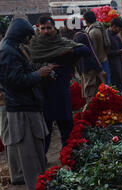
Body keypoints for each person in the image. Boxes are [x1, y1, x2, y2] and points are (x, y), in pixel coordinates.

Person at [0, 18, 57, 190]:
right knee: (29, 149)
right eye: (27, 36)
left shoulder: (14, 48)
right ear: (20, 34)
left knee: (37, 146)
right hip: (20, 107)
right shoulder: (7, 52)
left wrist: (42, 73)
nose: (28, 40)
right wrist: (39, 74)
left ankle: (40, 183)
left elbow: (25, 72)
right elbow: (16, 81)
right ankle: (35, 188)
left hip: (28, 104)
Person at [30, 16, 90, 155]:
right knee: (45, 130)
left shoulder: (63, 43)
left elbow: (85, 50)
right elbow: (29, 64)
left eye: (49, 28)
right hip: (42, 94)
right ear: (38, 29)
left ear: (54, 28)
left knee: (66, 127)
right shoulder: (34, 45)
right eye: (43, 28)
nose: (46, 31)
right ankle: (41, 159)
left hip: (61, 93)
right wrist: (42, 69)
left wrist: (69, 51)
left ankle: (68, 156)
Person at [73, 30, 106, 105]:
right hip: (91, 69)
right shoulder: (84, 36)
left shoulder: (75, 37)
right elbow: (92, 52)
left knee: (88, 93)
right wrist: (100, 69)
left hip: (83, 70)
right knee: (93, 93)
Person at [84, 11, 111, 85]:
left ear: (86, 20)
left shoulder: (92, 32)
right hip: (104, 58)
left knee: (103, 87)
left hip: (99, 62)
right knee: (107, 84)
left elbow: (93, 52)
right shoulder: (100, 26)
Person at [106, 18, 122, 92]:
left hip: (119, 63)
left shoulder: (115, 36)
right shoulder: (106, 36)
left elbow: (120, 47)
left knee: (121, 84)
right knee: (115, 86)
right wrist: (120, 51)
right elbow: (108, 52)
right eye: (118, 29)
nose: (119, 31)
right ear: (114, 27)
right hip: (112, 65)